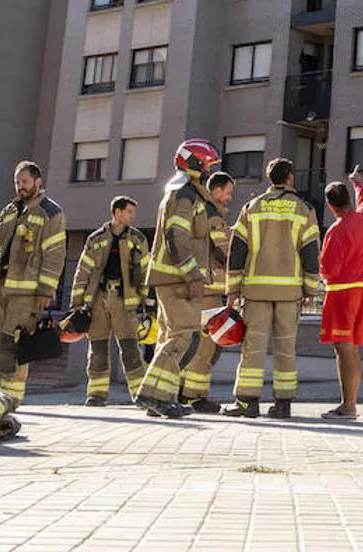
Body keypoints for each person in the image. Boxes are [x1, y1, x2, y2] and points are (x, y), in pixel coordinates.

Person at [223, 159, 321, 419]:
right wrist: (311, 289)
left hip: (255, 291)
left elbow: (237, 250)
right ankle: (283, 404)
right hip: (290, 294)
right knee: (286, 347)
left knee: (253, 347)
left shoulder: (251, 208)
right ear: (289, 177)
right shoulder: (304, 209)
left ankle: (247, 403)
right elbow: (311, 252)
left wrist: (233, 288)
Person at [0, 161, 65, 419]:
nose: (20, 187)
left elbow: (55, 255)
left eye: (24, 182)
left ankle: (11, 398)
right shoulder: (10, 211)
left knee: (11, 344)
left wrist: (46, 290)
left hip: (26, 294)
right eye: (17, 182)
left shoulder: (51, 213)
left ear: (38, 182)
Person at [137, 140, 222, 414]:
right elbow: (177, 237)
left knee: (170, 337)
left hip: (172, 279)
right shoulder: (183, 194)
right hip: (177, 280)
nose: (209, 169)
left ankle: (160, 399)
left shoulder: (186, 193)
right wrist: (192, 275)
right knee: (184, 337)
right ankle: (152, 395)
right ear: (195, 163)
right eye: (207, 164)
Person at [71, 196, 165, 410]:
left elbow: (146, 273)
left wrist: (149, 304)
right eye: (129, 212)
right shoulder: (95, 239)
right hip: (98, 300)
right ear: (117, 212)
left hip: (125, 301)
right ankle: (96, 395)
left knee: (130, 348)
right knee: (98, 348)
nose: (133, 216)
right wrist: (77, 301)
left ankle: (140, 395)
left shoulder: (138, 239)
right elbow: (82, 271)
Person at [318, 167, 363, 420]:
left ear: (330, 205)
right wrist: (357, 183)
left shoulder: (336, 231)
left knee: (344, 350)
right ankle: (350, 403)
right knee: (352, 350)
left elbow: (329, 269)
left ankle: (348, 405)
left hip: (342, 294)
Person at [177, 171, 234, 413]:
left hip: (200, 289)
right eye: (228, 192)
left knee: (194, 345)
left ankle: (183, 393)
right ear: (217, 191)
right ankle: (194, 396)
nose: (230, 198)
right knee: (205, 348)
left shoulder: (200, 211)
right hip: (209, 293)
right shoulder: (212, 215)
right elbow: (223, 252)